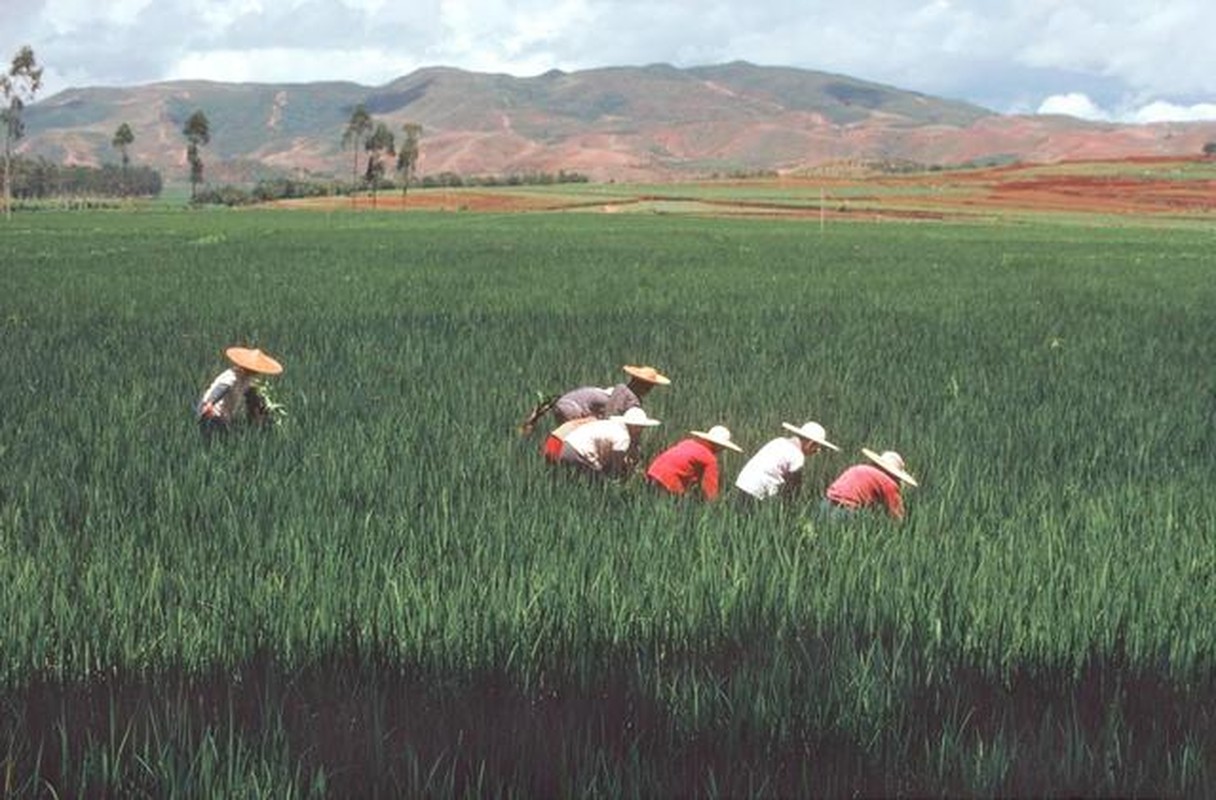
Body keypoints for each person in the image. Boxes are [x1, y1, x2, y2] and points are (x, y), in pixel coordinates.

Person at [520, 364, 670, 434]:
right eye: (650, 386)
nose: (650, 389)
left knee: (569, 438)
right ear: (646, 386)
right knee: (574, 438)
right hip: (572, 408)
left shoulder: (619, 389)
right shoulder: (629, 398)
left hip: (564, 403)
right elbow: (612, 419)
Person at [733, 421, 840, 503]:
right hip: (756, 490)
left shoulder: (778, 441)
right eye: (817, 447)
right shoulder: (797, 457)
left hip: (742, 482)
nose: (817, 451)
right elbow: (792, 490)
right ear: (810, 444)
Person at [196, 346, 284, 439]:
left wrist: (260, 411)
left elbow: (251, 396)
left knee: (225, 438)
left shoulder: (247, 379)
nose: (257, 372)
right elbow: (221, 388)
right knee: (215, 440)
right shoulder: (232, 375)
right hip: (211, 412)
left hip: (224, 414)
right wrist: (210, 404)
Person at [556, 406, 661, 478]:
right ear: (634, 426)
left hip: (566, 446)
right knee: (598, 485)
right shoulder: (623, 437)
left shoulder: (612, 425)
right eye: (640, 427)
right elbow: (616, 468)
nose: (641, 430)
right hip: (580, 453)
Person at [645, 425, 743, 501]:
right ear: (719, 445)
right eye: (723, 447)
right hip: (669, 480)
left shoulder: (688, 442)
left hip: (653, 471)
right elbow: (710, 492)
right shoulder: (709, 459)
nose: (723, 450)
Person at [823, 448, 919, 520]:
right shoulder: (889, 483)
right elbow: (897, 516)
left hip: (825, 503)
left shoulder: (861, 468)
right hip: (846, 511)